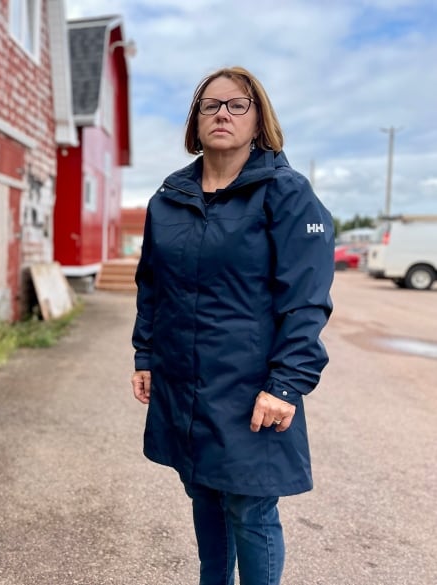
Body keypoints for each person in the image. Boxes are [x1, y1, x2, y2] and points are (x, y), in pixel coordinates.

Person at [130, 66, 334, 585]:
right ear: (195, 122)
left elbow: (306, 300)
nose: (222, 113)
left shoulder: (286, 193)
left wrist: (286, 384)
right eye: (210, 105)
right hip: (184, 384)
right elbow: (152, 286)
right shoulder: (167, 200)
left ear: (258, 118)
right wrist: (146, 356)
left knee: (250, 509)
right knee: (204, 496)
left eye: (236, 104)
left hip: (251, 389)